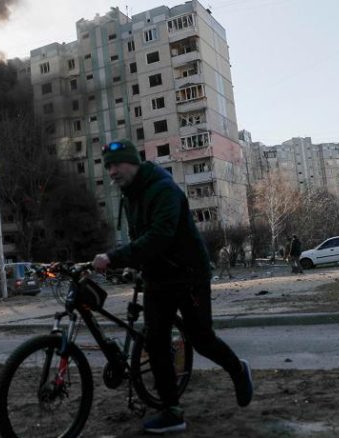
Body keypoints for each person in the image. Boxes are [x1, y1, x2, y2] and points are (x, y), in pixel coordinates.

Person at [91, 140, 253, 434]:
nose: (112, 172)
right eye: (108, 167)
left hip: (188, 274)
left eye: (117, 165)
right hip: (158, 278)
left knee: (201, 339)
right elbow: (142, 238)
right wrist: (134, 264)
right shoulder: (131, 195)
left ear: (133, 163)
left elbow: (160, 236)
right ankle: (172, 411)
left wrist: (114, 258)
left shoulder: (163, 189)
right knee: (156, 344)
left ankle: (238, 370)